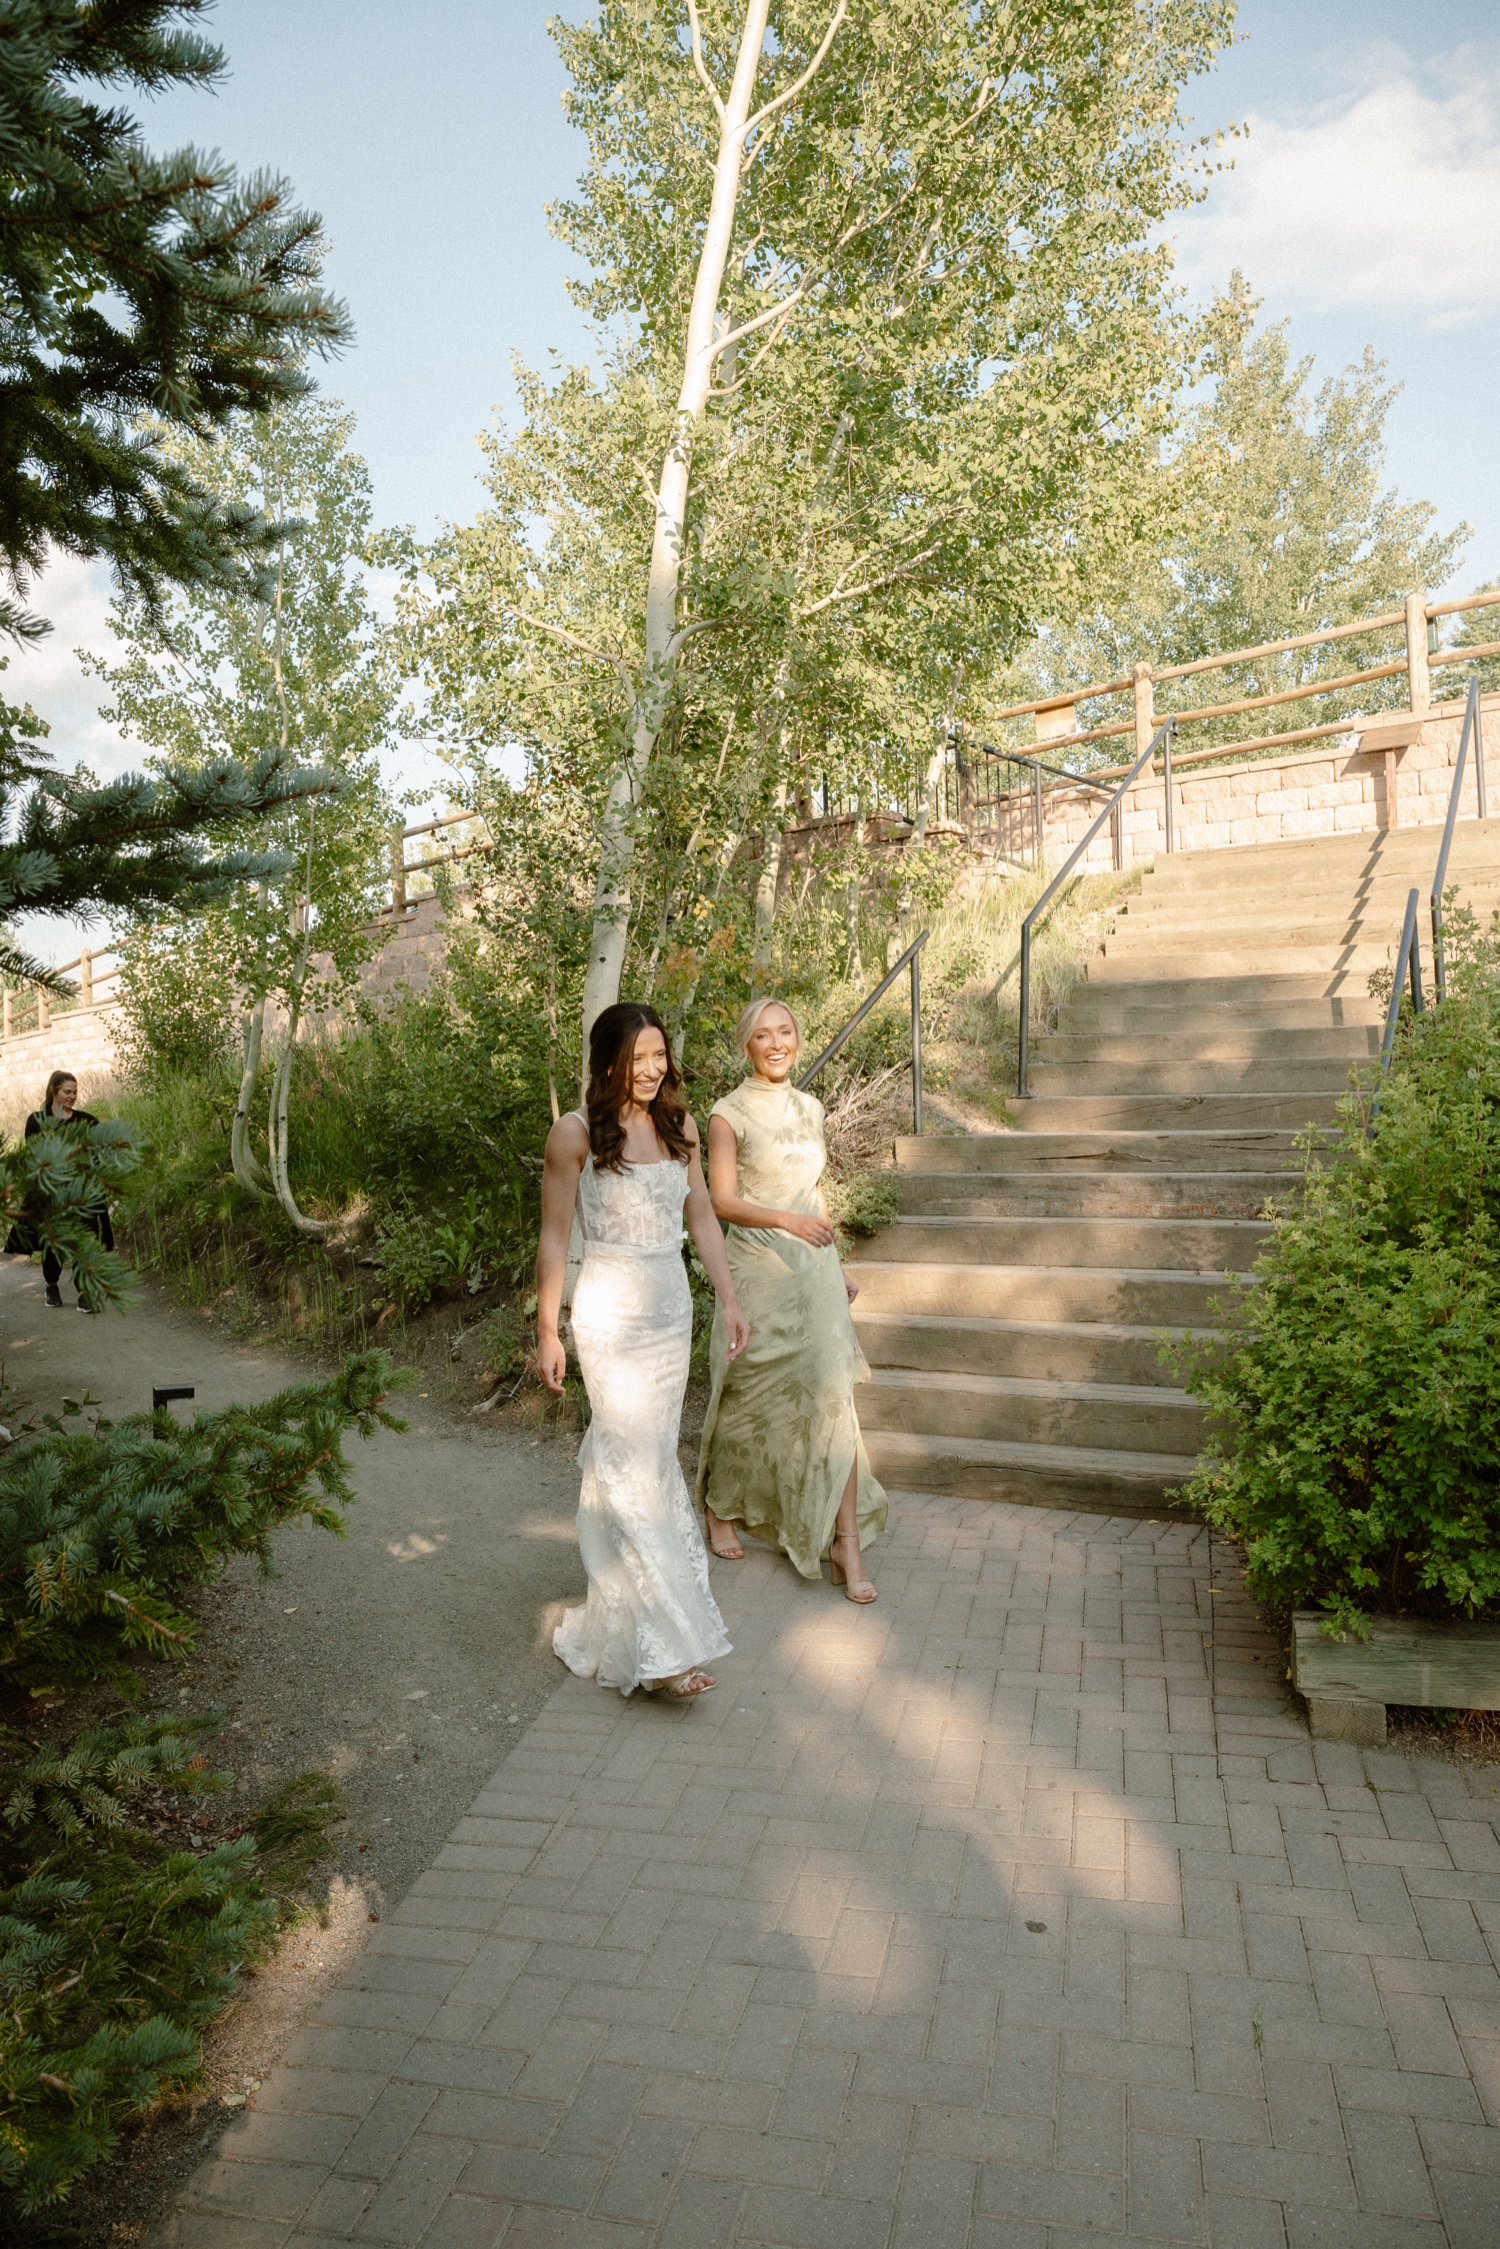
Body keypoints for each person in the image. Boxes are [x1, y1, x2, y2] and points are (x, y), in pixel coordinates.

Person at [536, 1001, 750, 1701]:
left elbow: (702, 1219)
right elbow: (555, 1237)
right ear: (609, 1060)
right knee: (628, 1458)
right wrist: (546, 1328)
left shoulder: (679, 1125)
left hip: (667, 1311)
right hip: (608, 1313)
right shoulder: (573, 1135)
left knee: (652, 1459)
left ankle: (629, 1623)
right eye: (640, 1056)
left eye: (661, 1055)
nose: (654, 1068)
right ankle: (661, 1652)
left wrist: (729, 1296)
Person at [696, 998, 887, 1601]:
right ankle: (720, 1504)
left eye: (785, 1033)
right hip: (757, 1269)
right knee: (749, 1392)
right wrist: (788, 1223)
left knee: (835, 1399)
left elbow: (814, 1191)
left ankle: (844, 1542)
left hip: (813, 1271)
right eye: (762, 1035)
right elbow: (720, 1201)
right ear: (746, 1045)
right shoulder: (727, 1114)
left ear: (798, 1039)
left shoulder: (811, 1107)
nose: (776, 1043)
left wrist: (836, 1260)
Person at [6, 1071, 114, 1311]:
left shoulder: (87, 1120)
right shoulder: (36, 1121)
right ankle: (51, 1285)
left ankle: (85, 1292)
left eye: (75, 1092)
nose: (72, 1096)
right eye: (67, 1091)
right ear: (53, 1090)